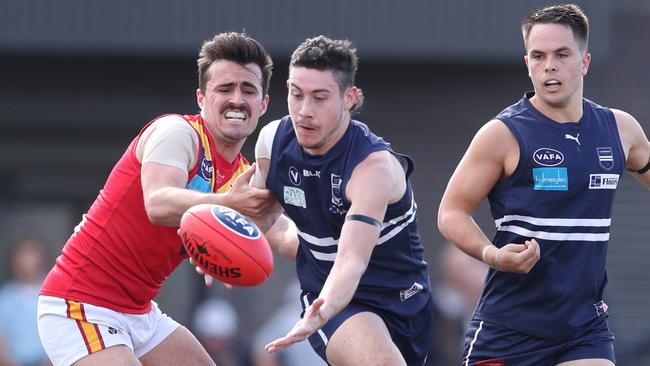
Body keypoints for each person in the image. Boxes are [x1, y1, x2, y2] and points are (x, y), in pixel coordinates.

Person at [37, 32, 276, 366]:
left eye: (248, 90)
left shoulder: (243, 175)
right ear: (201, 97)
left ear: (263, 103)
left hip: (138, 312)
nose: (237, 99)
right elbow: (158, 203)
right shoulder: (177, 133)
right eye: (225, 89)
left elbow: (278, 233)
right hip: (80, 303)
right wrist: (227, 206)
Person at [437, 4, 650, 365]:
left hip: (585, 329)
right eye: (539, 55)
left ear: (584, 63)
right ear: (528, 64)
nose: (549, 65)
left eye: (562, 54)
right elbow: (450, 212)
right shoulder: (503, 134)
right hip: (509, 329)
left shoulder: (620, 130)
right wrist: (493, 255)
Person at [253, 35, 433, 366]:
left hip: (404, 301)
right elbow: (260, 217)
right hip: (332, 301)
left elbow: (351, 259)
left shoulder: (371, 167)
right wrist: (218, 240)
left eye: (319, 98)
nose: (304, 111)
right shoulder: (272, 142)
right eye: (296, 95)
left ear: (349, 97)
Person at [0, 238, 51, 366]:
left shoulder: (52, 295)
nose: (27, 261)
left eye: (32, 254)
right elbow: (2, 340)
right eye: (23, 255)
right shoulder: (6, 297)